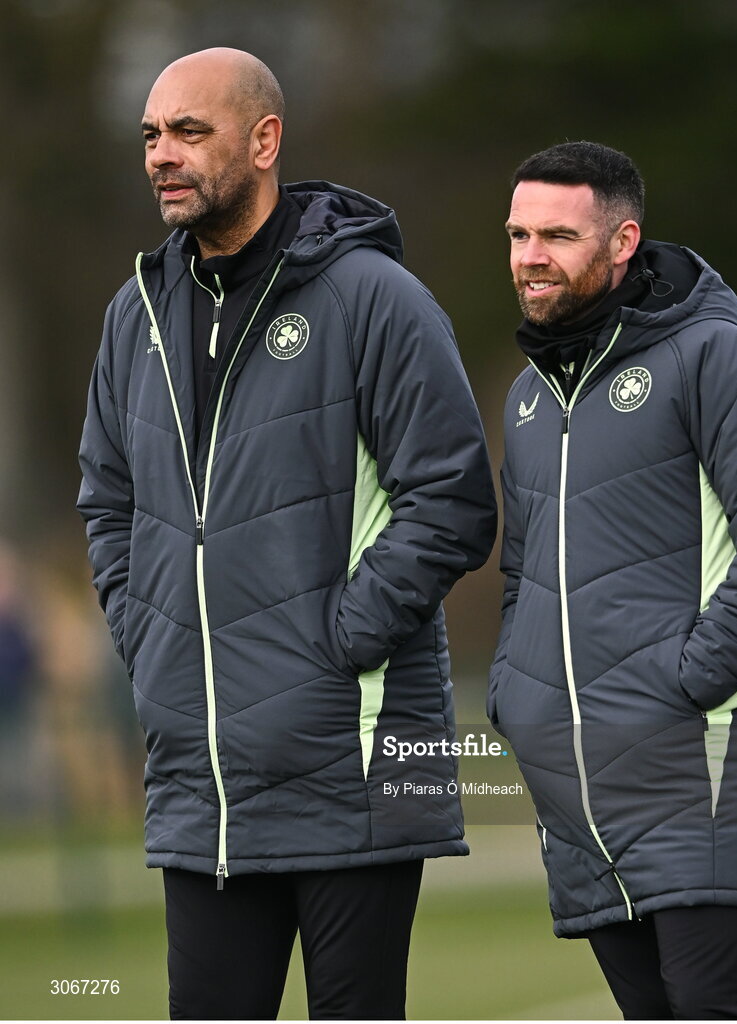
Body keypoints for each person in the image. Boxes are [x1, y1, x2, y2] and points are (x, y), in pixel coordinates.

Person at [78, 47, 496, 1021]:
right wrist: (150, 637)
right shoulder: (131, 317)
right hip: (201, 776)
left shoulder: (377, 299)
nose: (161, 156)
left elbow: (454, 500)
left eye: (190, 131)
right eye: (151, 135)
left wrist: (335, 645)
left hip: (357, 757)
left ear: (265, 140)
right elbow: (106, 503)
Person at [487, 141, 737, 1020]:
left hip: (698, 772)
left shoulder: (718, 359)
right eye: (519, 234)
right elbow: (522, 572)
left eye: (558, 235)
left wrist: (681, 685)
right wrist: (514, 695)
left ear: (622, 240)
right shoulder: (529, 397)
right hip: (577, 796)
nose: (532, 256)